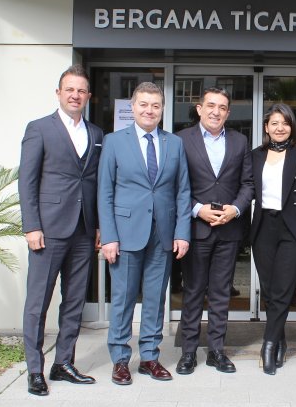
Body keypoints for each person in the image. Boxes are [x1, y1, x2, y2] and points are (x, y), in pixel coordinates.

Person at [97, 82, 191, 386]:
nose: (149, 110)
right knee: (123, 298)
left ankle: (150, 357)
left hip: (163, 234)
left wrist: (182, 232)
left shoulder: (174, 143)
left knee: (155, 299)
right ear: (133, 107)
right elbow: (104, 192)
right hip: (125, 234)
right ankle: (120, 359)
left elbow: (182, 191)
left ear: (162, 109)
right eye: (143, 104)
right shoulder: (114, 141)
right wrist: (109, 236)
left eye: (155, 105)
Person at [19, 64, 103, 396]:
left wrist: (98, 225)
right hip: (49, 229)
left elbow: (95, 182)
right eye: (70, 89)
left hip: (83, 230)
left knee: (74, 301)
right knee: (37, 302)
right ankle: (34, 369)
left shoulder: (96, 134)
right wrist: (32, 226)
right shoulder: (39, 128)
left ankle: (63, 363)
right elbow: (27, 181)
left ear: (88, 96)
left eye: (81, 90)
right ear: (58, 93)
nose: (75, 95)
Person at [175, 87, 253, 375]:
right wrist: (197, 209)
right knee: (193, 291)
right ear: (199, 109)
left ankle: (217, 351)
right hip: (196, 229)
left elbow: (248, 183)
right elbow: (176, 184)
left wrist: (236, 209)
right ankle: (188, 352)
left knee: (221, 293)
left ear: (228, 113)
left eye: (222, 107)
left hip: (229, 230)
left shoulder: (240, 141)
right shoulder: (181, 140)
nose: (215, 112)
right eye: (210, 105)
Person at [249, 103, 296, 375]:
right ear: (266, 127)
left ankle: (268, 345)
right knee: (269, 290)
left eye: (285, 123)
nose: (280, 128)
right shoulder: (255, 155)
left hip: (294, 229)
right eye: (274, 123)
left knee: (282, 290)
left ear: (292, 127)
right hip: (264, 227)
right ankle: (280, 339)